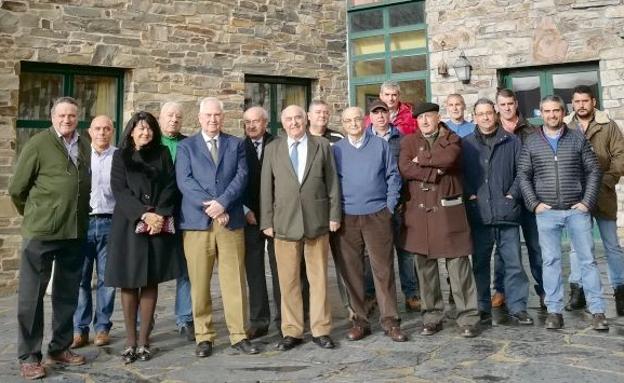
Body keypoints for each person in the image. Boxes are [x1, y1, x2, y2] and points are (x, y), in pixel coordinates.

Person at [9, 97, 91, 380]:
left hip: (74, 231)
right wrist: (37, 214)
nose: (67, 120)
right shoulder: (37, 144)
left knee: (67, 294)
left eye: (71, 115)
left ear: (77, 118)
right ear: (52, 117)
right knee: (31, 297)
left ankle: (60, 347)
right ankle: (30, 356)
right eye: (61, 115)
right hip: (42, 232)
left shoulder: (83, 144)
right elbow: (17, 189)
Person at [518, 95, 608, 331]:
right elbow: (524, 175)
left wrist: (587, 202)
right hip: (546, 212)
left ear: (563, 112)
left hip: (576, 210)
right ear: (541, 113)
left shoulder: (577, 138)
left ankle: (598, 310)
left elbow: (594, 171)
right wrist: (534, 203)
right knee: (551, 262)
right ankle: (554, 311)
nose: (552, 115)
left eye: (556, 111)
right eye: (547, 111)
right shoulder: (531, 141)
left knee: (587, 260)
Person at [176, 97, 257, 357]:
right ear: (199, 118)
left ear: (223, 117)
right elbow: (185, 181)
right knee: (199, 283)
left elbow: (241, 177)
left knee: (234, 281)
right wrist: (210, 207)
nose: (213, 120)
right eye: (208, 115)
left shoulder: (236, 145)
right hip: (198, 224)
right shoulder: (187, 146)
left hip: (230, 221)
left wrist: (223, 203)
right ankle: (204, 336)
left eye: (217, 115)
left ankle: (238, 335)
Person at [105, 111, 185, 363]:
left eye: (149, 128)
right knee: (129, 282)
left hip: (157, 227)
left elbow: (171, 185)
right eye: (140, 128)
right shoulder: (120, 155)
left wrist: (159, 214)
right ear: (131, 131)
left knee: (151, 281)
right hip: (129, 226)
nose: (145, 132)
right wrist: (142, 215)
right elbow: (119, 189)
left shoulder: (162, 154)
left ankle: (144, 341)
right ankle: (130, 340)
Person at [260, 105, 341, 351]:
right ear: (282, 123)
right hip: (284, 223)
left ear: (305, 119)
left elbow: (333, 184)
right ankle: (292, 331)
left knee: (318, 281)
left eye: (298, 118)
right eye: (288, 119)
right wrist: (266, 221)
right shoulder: (273, 148)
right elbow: (266, 187)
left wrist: (334, 215)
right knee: (289, 282)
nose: (294, 122)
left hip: (317, 222)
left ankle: (320, 329)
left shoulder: (322, 146)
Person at [399, 102, 480, 338]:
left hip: (448, 210)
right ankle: (432, 316)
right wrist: (433, 171)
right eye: (420, 118)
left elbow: (449, 158)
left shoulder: (453, 138)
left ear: (437, 117)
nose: (424, 121)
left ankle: (468, 317)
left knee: (458, 266)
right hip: (420, 214)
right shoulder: (408, 141)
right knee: (425, 269)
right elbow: (405, 167)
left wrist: (421, 160)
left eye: (429, 117)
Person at [333, 106, 407, 342]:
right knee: (352, 272)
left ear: (364, 121)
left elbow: (393, 176)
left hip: (377, 214)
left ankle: (390, 321)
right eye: (348, 120)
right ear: (343, 124)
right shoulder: (336, 150)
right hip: (347, 216)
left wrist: (389, 206)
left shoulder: (380, 145)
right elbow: (331, 183)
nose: (353, 123)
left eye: (357, 119)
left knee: (383, 270)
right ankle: (360, 321)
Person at [462, 99, 532, 326]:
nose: (485, 117)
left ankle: (518, 307)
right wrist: (470, 193)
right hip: (479, 214)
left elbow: (522, 172)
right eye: (480, 114)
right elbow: (459, 175)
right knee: (480, 264)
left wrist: (511, 194)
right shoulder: (466, 144)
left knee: (514, 264)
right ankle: (482, 307)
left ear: (495, 114)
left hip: (507, 213)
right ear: (474, 116)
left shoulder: (511, 141)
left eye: (488, 113)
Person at [564, 85, 624, 315]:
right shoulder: (566, 126)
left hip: (604, 194)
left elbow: (620, 156)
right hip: (577, 197)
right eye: (577, 101)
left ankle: (620, 293)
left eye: (585, 101)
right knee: (577, 248)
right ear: (573, 103)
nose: (581, 105)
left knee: (612, 246)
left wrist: (606, 180)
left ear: (593, 102)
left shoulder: (608, 125)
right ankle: (577, 292)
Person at [363, 99, 420, 312]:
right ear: (371, 116)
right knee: (374, 254)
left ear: (389, 115)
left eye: (383, 112)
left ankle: (411, 293)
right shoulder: (364, 139)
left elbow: (407, 170)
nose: (380, 117)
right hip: (374, 206)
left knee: (405, 252)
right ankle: (372, 295)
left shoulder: (403, 140)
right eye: (375, 113)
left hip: (401, 204)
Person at [491, 88, 544, 310]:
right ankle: (501, 290)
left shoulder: (532, 130)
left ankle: (544, 291)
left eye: (510, 104)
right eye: (502, 105)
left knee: (536, 247)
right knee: (503, 249)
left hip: (530, 196)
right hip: (505, 198)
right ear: (497, 107)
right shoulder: (492, 131)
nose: (506, 108)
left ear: (516, 104)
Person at [70, 116, 117, 349]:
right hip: (83, 223)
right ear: (90, 131)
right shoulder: (79, 155)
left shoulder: (119, 157)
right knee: (81, 279)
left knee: (107, 279)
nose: (102, 133)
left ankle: (102, 328)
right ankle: (80, 329)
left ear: (112, 131)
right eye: (98, 128)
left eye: (107, 129)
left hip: (110, 222)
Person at [242, 106, 281, 339]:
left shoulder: (277, 145)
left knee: (281, 270)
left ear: (266, 122)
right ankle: (259, 320)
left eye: (256, 121)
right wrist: (245, 209)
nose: (251, 126)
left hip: (276, 216)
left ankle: (285, 319)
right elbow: (234, 180)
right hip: (249, 217)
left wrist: (274, 212)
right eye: (247, 122)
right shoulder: (238, 147)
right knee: (254, 271)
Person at [158, 101, 195, 340]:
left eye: (178, 117)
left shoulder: (188, 144)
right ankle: (144, 321)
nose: (174, 119)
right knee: (149, 269)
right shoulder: (149, 143)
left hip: (183, 214)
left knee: (187, 268)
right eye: (169, 115)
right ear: (160, 118)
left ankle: (185, 318)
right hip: (155, 215)